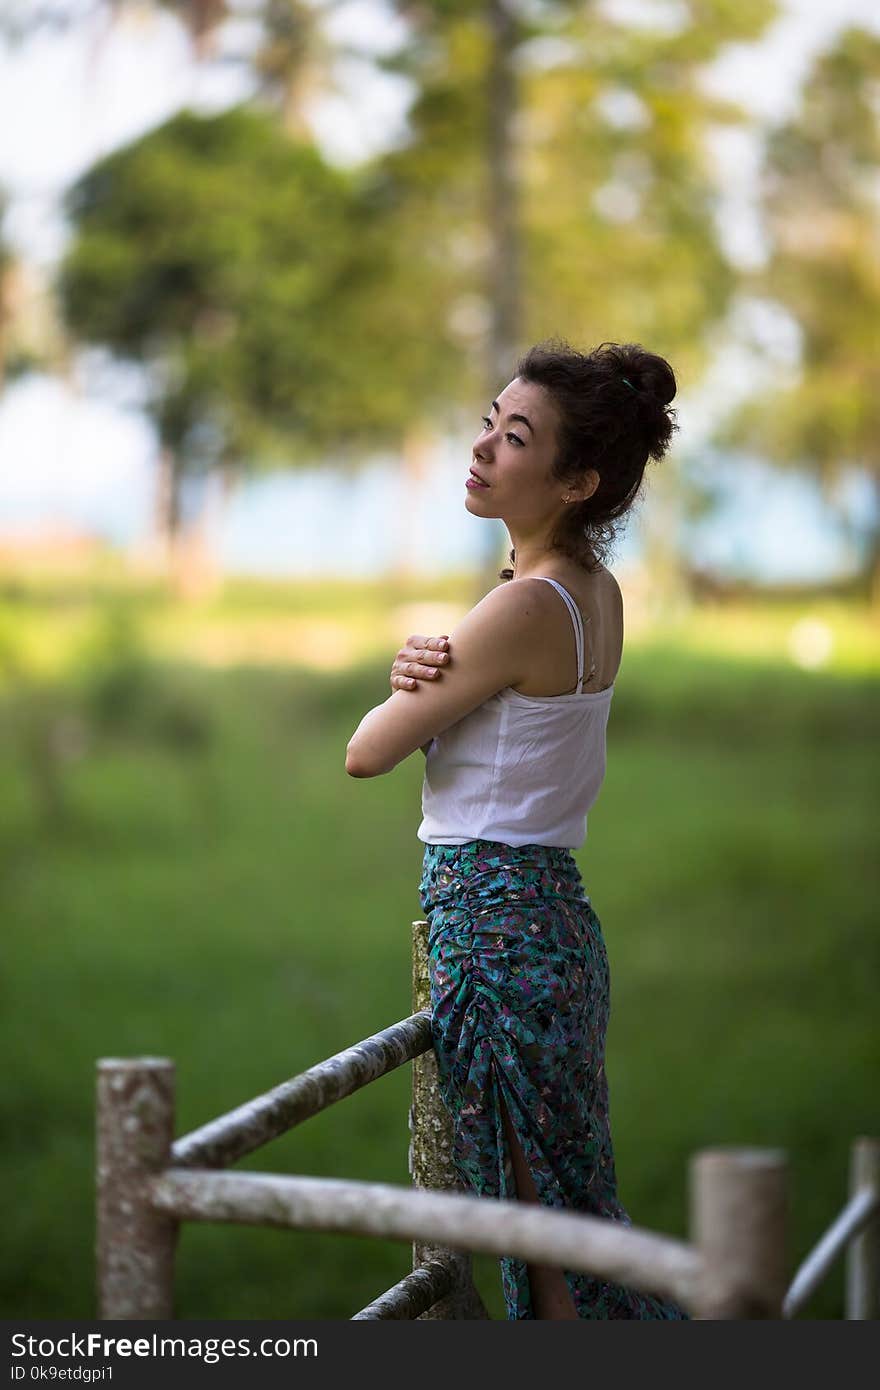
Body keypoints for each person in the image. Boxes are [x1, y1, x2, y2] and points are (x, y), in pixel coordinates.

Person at [345, 338, 689, 1320]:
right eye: (491, 422)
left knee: (545, 1247)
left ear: (577, 480)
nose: (484, 446)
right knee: (573, 1221)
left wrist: (408, 680)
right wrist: (440, 667)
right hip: (550, 923)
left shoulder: (521, 606)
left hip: (494, 931)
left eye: (517, 437)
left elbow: (366, 751)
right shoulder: (593, 593)